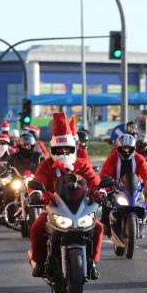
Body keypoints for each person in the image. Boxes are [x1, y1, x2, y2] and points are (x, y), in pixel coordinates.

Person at [28, 112, 104, 279]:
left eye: (67, 148)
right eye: (59, 149)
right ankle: (40, 262)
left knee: (98, 228)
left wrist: (102, 191)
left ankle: (92, 262)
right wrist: (35, 193)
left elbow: (94, 180)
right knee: (36, 228)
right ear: (52, 149)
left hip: (80, 208)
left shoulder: (82, 164)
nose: (63, 151)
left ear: (73, 148)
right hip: (52, 209)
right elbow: (37, 180)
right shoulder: (46, 165)